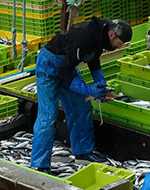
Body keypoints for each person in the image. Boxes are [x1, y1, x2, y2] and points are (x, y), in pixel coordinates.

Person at [29, 16, 131, 172]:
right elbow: (63, 72)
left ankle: (84, 152)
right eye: (120, 43)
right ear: (112, 34)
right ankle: (39, 164)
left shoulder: (101, 36)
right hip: (48, 67)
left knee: (82, 107)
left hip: (67, 67)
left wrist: (103, 86)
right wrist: (89, 90)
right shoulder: (83, 37)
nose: (119, 47)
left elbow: (93, 61)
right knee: (48, 116)